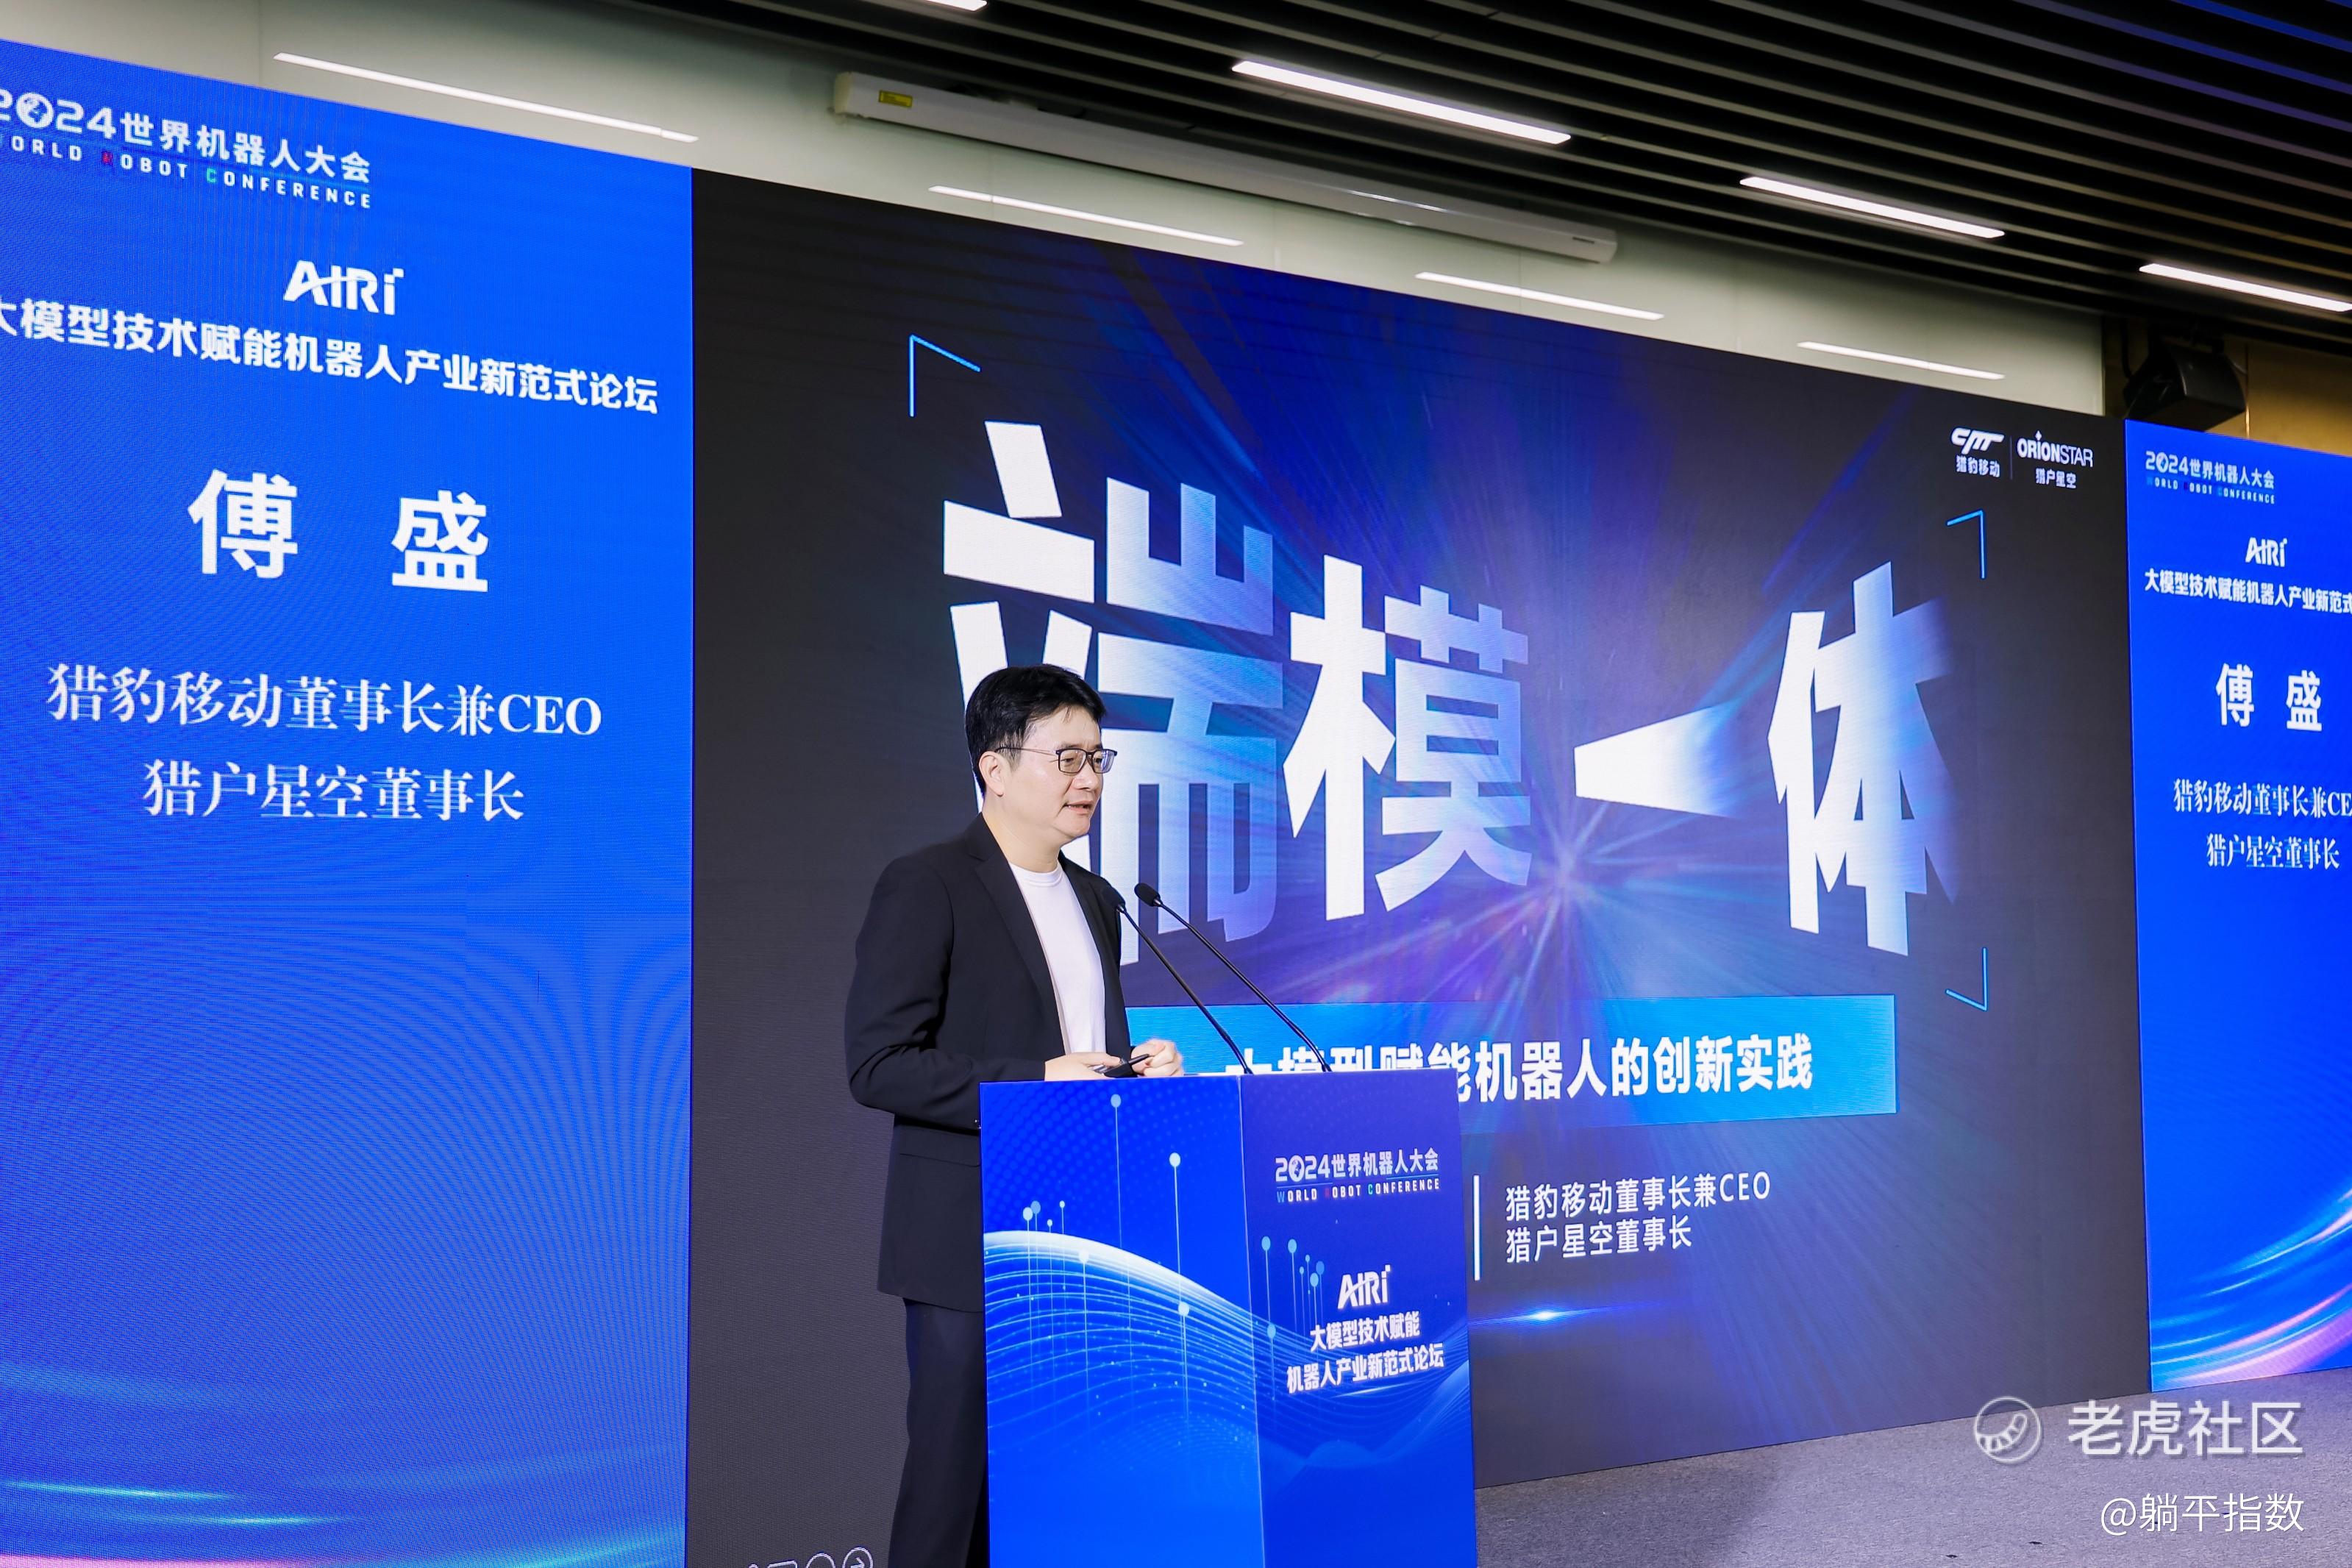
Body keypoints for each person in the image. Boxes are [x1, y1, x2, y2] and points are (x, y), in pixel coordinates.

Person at [844, 664, 1183, 1568]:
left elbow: (1079, 1050)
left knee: (1056, 1489)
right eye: (1066, 757)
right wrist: (1033, 1080)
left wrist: (1137, 1071)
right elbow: (878, 1063)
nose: (1090, 778)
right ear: (994, 767)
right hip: (967, 1240)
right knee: (952, 1491)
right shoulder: (928, 883)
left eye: (1098, 757)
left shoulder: (1098, 898)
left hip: (1081, 1237)